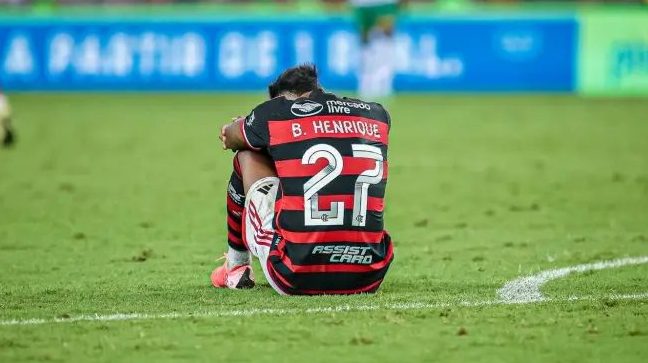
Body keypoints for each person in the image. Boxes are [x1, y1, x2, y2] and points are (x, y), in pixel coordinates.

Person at [212, 64, 394, 295]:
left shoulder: (274, 112)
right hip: (369, 274)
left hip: (294, 274)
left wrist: (244, 125)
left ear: (284, 98)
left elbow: (230, 136)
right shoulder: (378, 114)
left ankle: (236, 267)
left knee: (248, 154)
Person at [350, 0, 402, 99]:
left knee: (385, 41)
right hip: (363, 5)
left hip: (384, 4)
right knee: (366, 45)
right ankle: (367, 86)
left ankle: (383, 85)